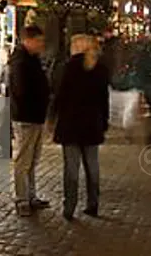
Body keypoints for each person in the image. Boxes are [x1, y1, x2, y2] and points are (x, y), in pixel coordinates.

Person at [53, 34, 110, 220]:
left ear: (77, 47)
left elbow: (59, 96)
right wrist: (104, 121)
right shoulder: (100, 69)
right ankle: (93, 204)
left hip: (70, 124)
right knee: (92, 166)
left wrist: (52, 117)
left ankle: (69, 206)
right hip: (92, 124)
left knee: (71, 168)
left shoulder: (67, 68)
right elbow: (104, 99)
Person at [9, 23, 50, 217]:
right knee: (23, 160)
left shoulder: (32, 59)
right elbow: (21, 91)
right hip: (26, 117)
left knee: (32, 160)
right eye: (38, 41)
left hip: (36, 116)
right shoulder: (20, 62)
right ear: (28, 40)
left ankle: (31, 196)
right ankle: (21, 199)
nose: (42, 44)